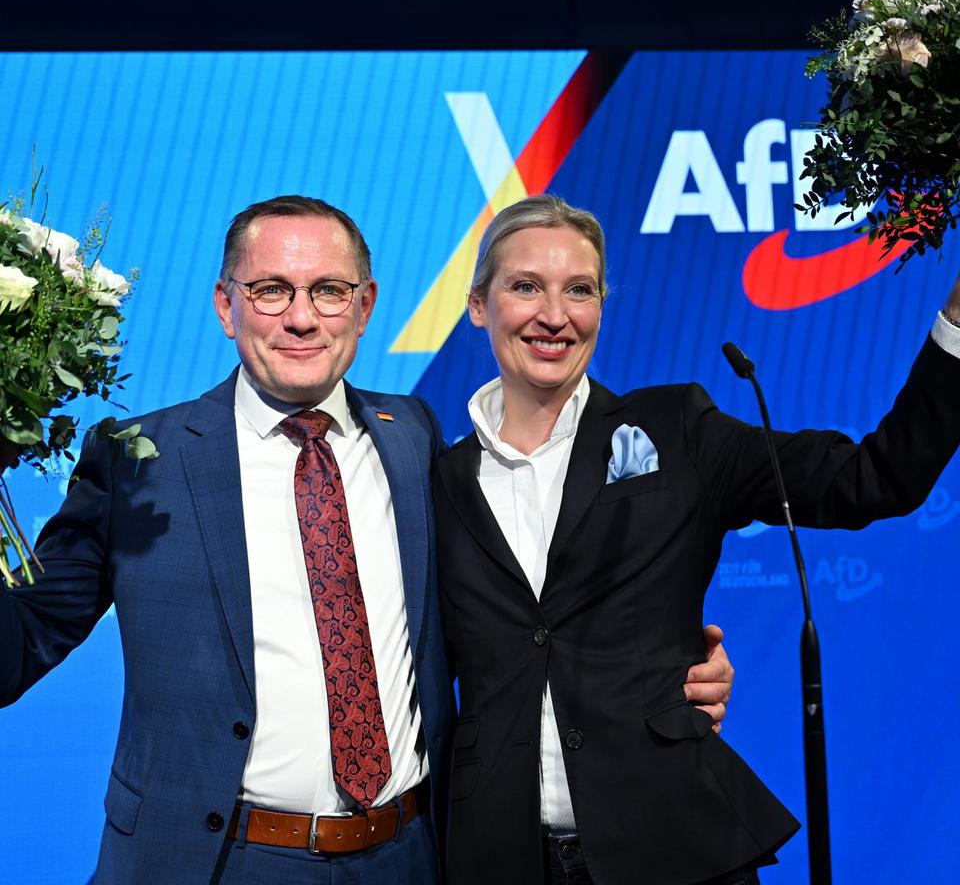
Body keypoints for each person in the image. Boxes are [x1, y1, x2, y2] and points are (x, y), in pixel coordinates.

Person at [0, 194, 734, 885]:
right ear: (226, 305)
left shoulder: (413, 437)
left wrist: (659, 669)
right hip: (217, 861)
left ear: (365, 306)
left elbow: (517, 617)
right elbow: (21, 643)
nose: (302, 319)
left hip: (408, 856)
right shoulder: (138, 459)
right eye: (271, 290)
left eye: (329, 291)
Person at [433, 194, 960, 885]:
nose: (554, 315)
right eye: (526, 286)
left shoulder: (680, 430)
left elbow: (875, 479)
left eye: (580, 290)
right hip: (497, 858)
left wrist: (958, 319)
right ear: (478, 305)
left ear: (602, 306)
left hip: (674, 844)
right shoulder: (434, 479)